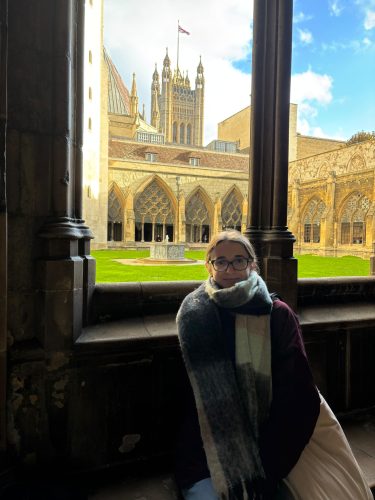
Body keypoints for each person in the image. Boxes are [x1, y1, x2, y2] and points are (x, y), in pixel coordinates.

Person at [175, 230, 372, 499]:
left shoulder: (277, 314)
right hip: (209, 452)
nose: (230, 268)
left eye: (239, 260)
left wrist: (266, 468)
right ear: (209, 266)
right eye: (220, 261)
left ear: (253, 264)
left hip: (273, 449)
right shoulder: (194, 314)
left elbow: (297, 398)